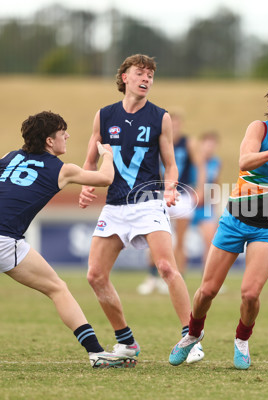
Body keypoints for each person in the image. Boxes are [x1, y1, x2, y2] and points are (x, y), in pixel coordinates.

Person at [0, 111, 133, 369]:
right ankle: (97, 353)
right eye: (62, 133)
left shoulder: (10, 156)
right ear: (48, 141)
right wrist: (108, 156)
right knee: (57, 288)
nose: (67, 136)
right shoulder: (62, 170)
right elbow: (106, 179)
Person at [168, 78, 268, 370]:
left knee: (250, 293)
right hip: (234, 221)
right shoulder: (257, 129)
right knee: (207, 291)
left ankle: (242, 340)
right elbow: (244, 160)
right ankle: (193, 334)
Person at [78, 54, 203, 364]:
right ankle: (126, 342)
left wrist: (172, 187)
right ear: (125, 78)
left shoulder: (160, 117)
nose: (146, 78)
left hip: (149, 204)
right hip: (115, 206)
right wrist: (86, 185)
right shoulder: (104, 116)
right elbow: (91, 158)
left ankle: (192, 339)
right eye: (140, 73)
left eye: (150, 75)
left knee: (166, 267)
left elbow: (171, 165)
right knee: (95, 274)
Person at [137, 109, 203, 295]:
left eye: (176, 124)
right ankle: (152, 278)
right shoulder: (158, 143)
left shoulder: (188, 143)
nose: (174, 127)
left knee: (180, 240)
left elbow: (200, 164)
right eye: (170, 124)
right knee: (154, 239)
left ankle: (178, 279)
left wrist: (200, 188)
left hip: (182, 194)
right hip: (159, 194)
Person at [191, 130, 222, 267]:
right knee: (175, 242)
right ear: (201, 144)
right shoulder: (192, 160)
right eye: (207, 144)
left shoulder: (216, 162)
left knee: (211, 242)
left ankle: (207, 280)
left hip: (206, 207)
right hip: (189, 204)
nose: (210, 147)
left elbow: (215, 182)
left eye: (212, 145)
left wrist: (215, 205)